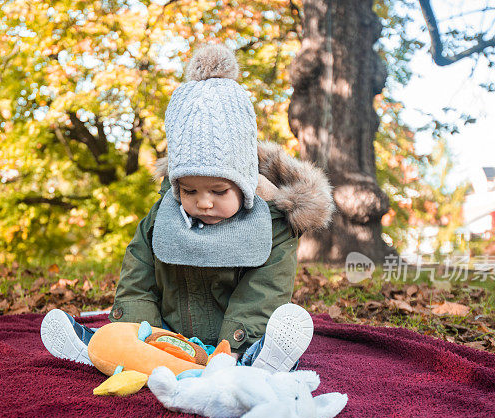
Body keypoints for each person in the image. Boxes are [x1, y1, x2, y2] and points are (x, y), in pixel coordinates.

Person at [41, 44, 333, 372]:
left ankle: (257, 358)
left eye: (219, 190)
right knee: (121, 339)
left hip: (234, 342)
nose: (203, 202)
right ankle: (101, 348)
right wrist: (142, 330)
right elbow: (138, 271)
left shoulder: (272, 223)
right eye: (189, 189)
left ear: (245, 180)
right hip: (168, 339)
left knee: (261, 340)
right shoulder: (165, 214)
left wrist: (232, 346)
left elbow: (264, 291)